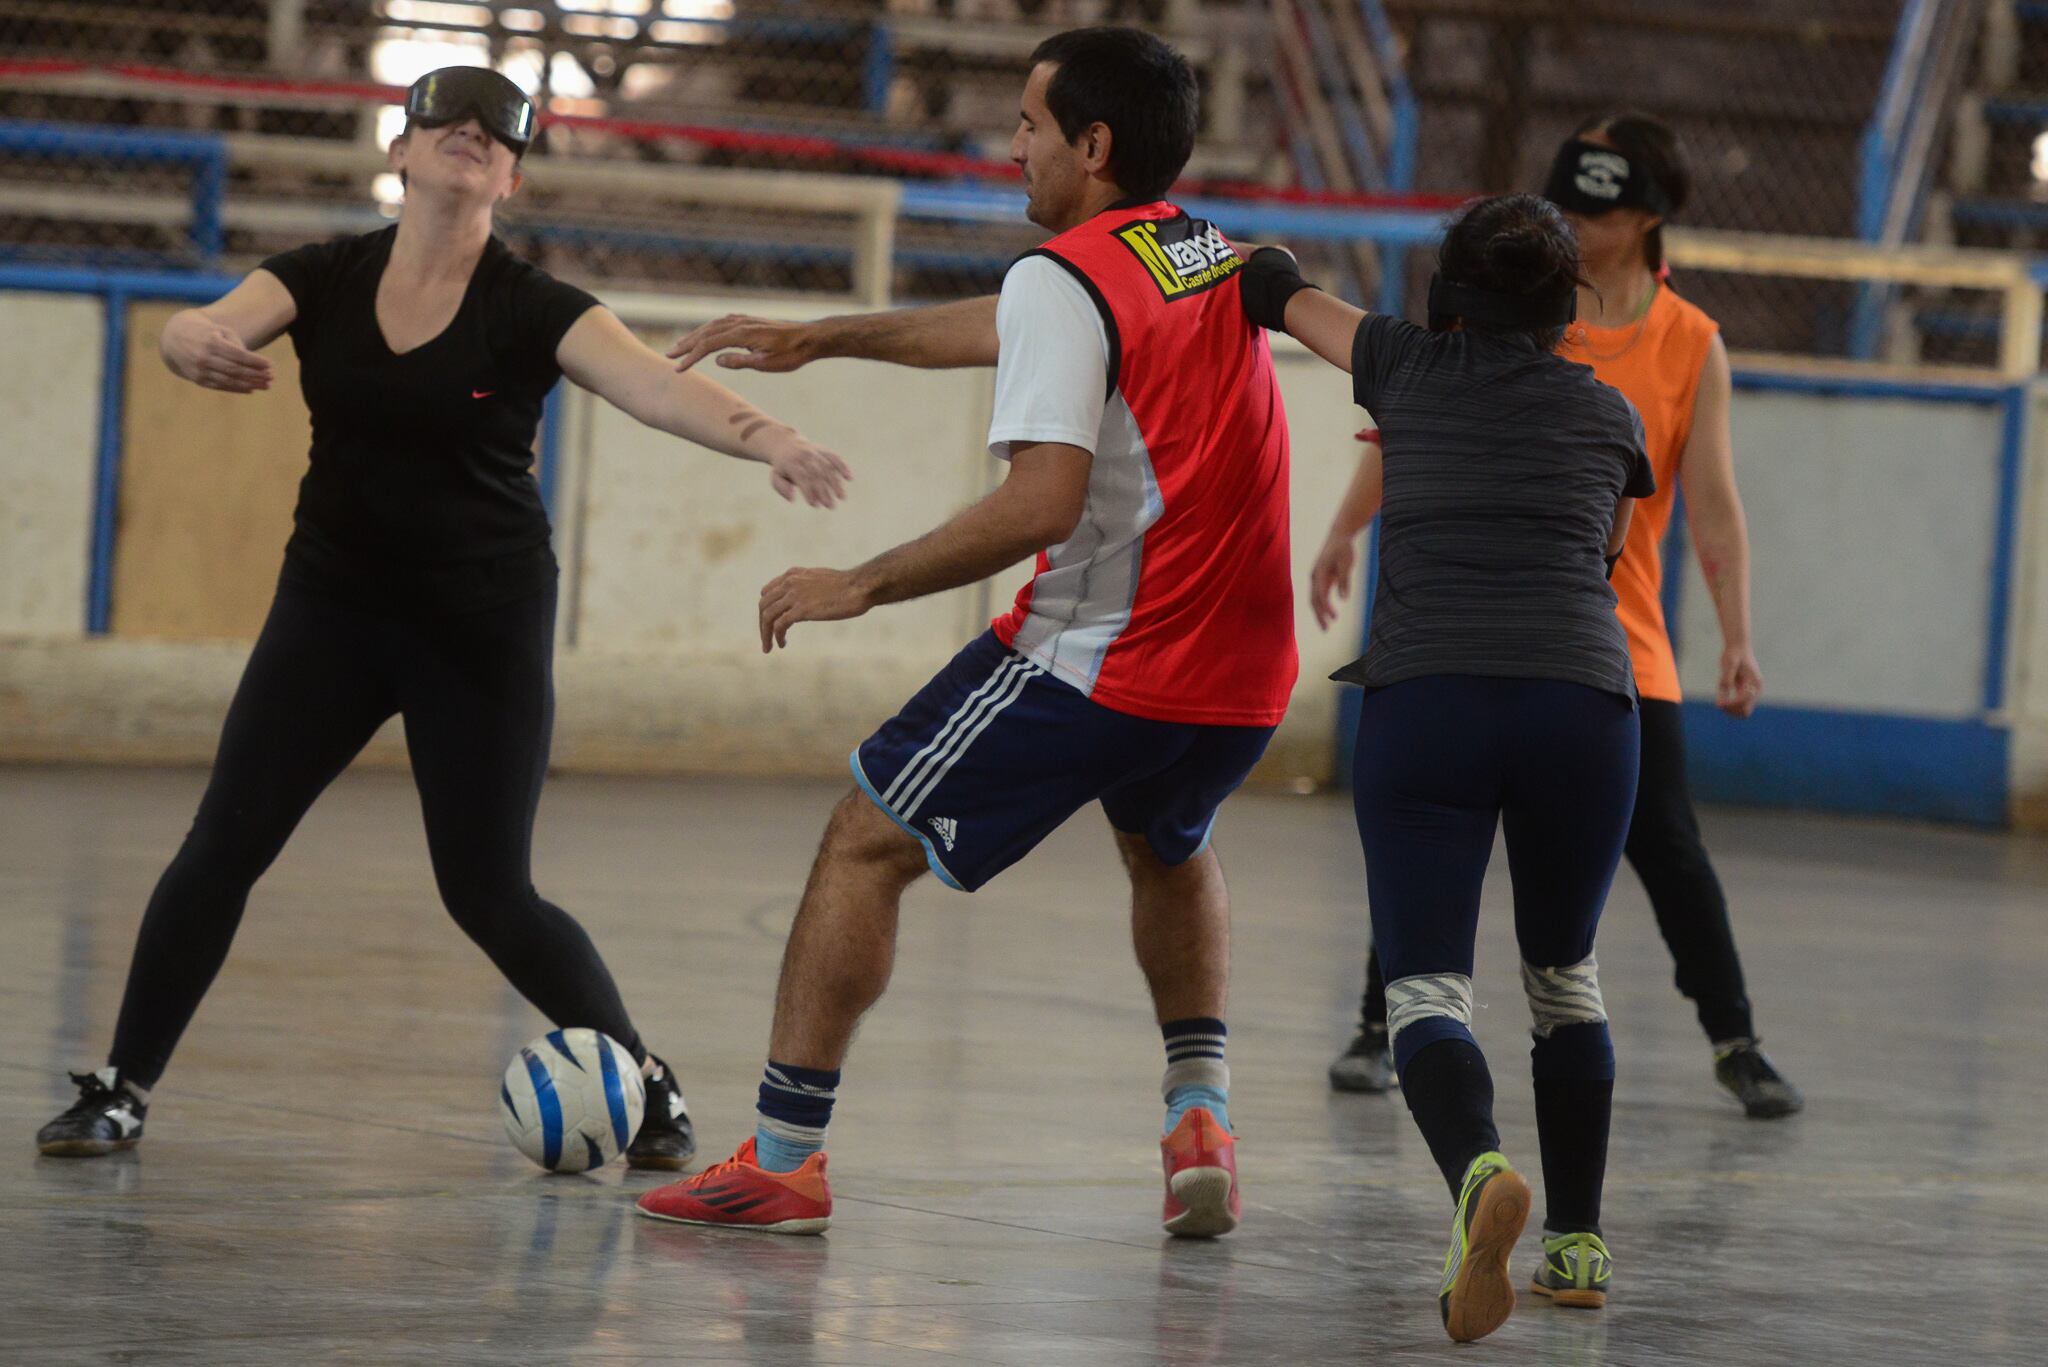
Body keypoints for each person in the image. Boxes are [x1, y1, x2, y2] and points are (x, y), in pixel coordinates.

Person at [35, 67, 851, 1167]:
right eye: (444, 121)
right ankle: (121, 1089)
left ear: (508, 176)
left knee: (488, 890)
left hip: (481, 620)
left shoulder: (529, 302)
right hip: (334, 607)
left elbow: (654, 386)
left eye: (492, 131)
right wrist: (189, 340)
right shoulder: (324, 274)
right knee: (222, 845)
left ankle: (646, 1085)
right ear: (403, 154)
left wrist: (767, 438)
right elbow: (209, 322)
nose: (467, 136)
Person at [635, 26, 1294, 1239]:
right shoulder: (1200, 248)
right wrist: (822, 336)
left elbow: (1039, 501)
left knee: (861, 839)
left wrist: (862, 580)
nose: (1010, 148)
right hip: (1243, 679)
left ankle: (784, 1157)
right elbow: (1016, 322)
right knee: (1164, 840)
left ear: (1090, 147)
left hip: (1102, 658)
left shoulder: (1069, 276)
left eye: (1029, 126)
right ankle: (1198, 1114)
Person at [1321, 116, 1803, 1121]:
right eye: (1569, 207)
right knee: (1430, 825)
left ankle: (1734, 1035)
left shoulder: (1686, 344)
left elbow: (1710, 502)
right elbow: (1411, 416)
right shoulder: (1525, 298)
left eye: (1601, 209)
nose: (1580, 224)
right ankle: (1381, 1021)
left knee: (1665, 838)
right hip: (1475, 618)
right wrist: (1339, 530)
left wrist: (1737, 635)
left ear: (1647, 219)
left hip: (1608, 639)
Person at [1242, 194, 1651, 1340]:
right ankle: (1574, 1241)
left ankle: (1477, 1174)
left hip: (1429, 702)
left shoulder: (1399, 365)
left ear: (1447, 296)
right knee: (1563, 974)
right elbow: (1602, 551)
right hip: (1581, 705)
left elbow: (1268, 284)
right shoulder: (1607, 411)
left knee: (1425, 989)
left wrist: (1179, 241)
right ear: (1561, 307)